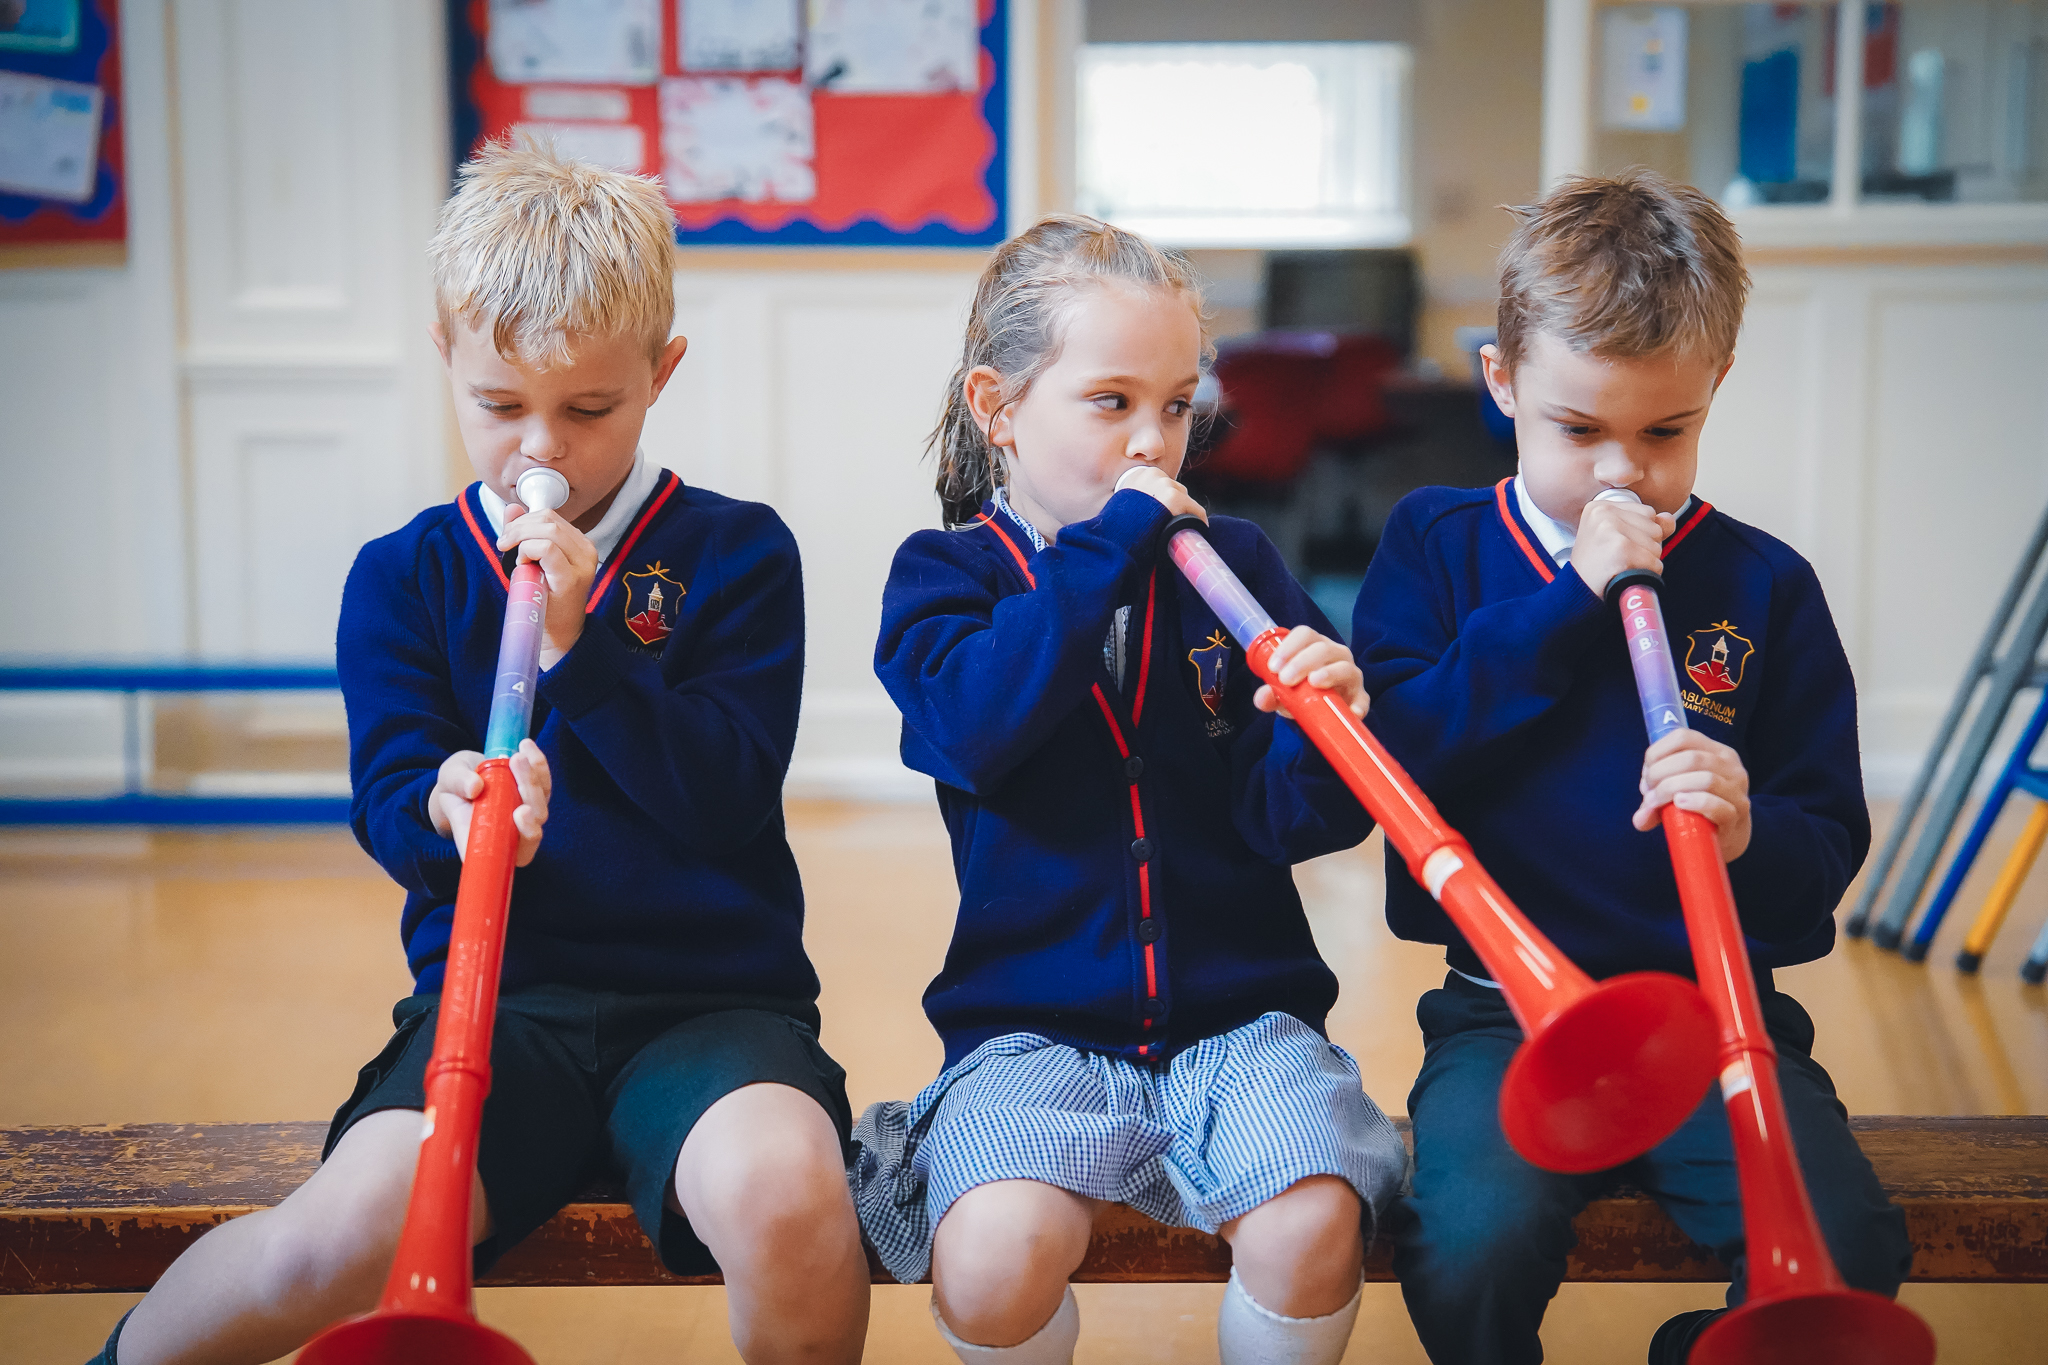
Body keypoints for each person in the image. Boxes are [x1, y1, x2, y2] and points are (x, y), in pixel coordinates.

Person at [91, 140, 868, 1365]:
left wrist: (586, 651)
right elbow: (387, 797)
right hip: (490, 1002)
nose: (538, 450)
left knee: (791, 1203)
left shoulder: (737, 552)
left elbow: (725, 796)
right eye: (500, 406)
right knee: (325, 1244)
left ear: (661, 375)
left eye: (588, 410)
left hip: (714, 1006)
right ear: (446, 357)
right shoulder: (403, 574)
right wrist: (442, 807)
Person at [1350, 170, 1913, 1365]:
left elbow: (1822, 863)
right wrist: (1568, 604)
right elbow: (1396, 764)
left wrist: (1749, 829)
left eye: (1664, 432)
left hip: (1724, 1019)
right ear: (1499, 382)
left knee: (1850, 1248)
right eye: (1578, 429)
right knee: (1465, 1247)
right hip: (1503, 1015)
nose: (1621, 473)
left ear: (1712, 388)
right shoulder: (1434, 548)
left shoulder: (1765, 585)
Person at [854, 214, 1408, 1365]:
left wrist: (1323, 725)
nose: (1154, 445)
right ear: (996, 407)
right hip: (1030, 1034)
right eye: (1111, 404)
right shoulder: (941, 579)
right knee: (992, 1253)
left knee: (1313, 1225)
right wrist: (1109, 549)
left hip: (1240, 1026)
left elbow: (1294, 818)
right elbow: (974, 731)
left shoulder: (1238, 568)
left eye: (1176, 405)